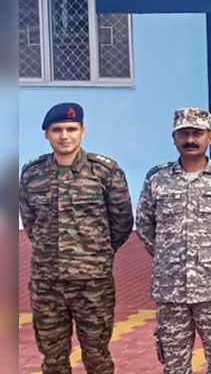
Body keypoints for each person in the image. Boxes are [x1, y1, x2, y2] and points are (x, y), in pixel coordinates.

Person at [19, 102, 134, 374]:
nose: (64, 136)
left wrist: (96, 253)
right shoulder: (32, 173)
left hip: (93, 283)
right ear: (47, 134)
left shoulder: (105, 171)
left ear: (83, 131)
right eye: (57, 129)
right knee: (53, 359)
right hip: (47, 283)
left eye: (71, 129)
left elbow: (122, 222)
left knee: (96, 357)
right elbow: (31, 222)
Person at [137, 107, 211, 374]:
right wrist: (169, 254)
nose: (190, 140)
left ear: (210, 137)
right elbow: (144, 225)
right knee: (174, 363)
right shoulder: (157, 179)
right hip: (171, 288)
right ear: (174, 138)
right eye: (184, 133)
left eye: (197, 133)